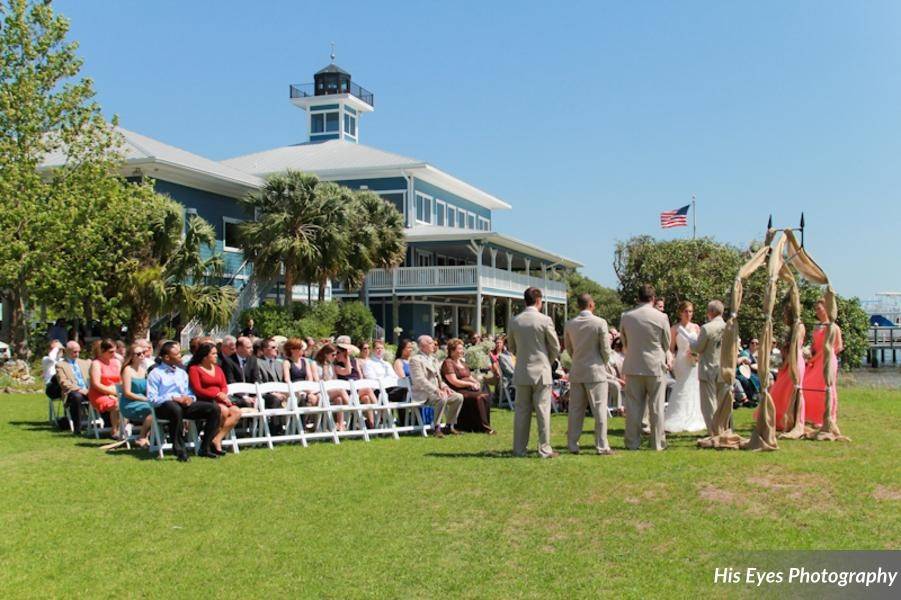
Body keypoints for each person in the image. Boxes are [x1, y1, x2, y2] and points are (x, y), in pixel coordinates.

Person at [507, 287, 561, 458]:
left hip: (522, 370)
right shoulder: (545, 320)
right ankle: (544, 449)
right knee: (543, 411)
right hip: (541, 370)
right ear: (538, 300)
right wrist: (548, 361)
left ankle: (519, 449)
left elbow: (511, 347)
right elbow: (555, 347)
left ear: (525, 301)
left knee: (521, 412)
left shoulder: (515, 321)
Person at [147, 341, 220, 461]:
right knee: (175, 408)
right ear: (166, 357)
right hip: (164, 407)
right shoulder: (155, 374)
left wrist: (190, 398)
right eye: (177, 354)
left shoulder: (181, 373)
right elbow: (152, 399)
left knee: (214, 408)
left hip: (183, 405)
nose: (180, 356)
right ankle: (179, 450)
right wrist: (173, 397)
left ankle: (205, 447)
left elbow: (189, 392)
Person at [619, 283, 671, 451]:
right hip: (655, 365)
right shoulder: (661, 317)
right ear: (653, 299)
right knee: (656, 407)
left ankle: (632, 442)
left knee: (633, 407)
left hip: (633, 365)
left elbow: (624, 342)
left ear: (638, 298)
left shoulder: (626, 317)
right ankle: (657, 443)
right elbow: (666, 343)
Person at [563, 292, 614, 455]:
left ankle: (572, 444)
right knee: (599, 409)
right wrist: (604, 362)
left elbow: (569, 348)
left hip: (577, 369)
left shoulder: (570, 324)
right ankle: (601, 445)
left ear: (578, 306)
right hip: (595, 371)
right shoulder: (600, 323)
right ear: (591, 305)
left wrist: (577, 359)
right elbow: (605, 349)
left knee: (575, 410)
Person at [188, 342, 240, 456]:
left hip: (222, 399)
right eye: (213, 354)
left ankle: (216, 438)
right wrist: (216, 395)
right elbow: (198, 389)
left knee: (236, 412)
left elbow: (224, 386)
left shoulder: (218, 369)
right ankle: (209, 443)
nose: (216, 356)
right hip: (206, 399)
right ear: (205, 356)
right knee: (224, 411)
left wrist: (223, 394)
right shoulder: (194, 369)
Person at [409, 335, 464, 438]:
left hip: (437, 392)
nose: (434, 344)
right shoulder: (415, 360)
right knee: (441, 398)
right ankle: (436, 427)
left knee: (458, 397)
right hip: (423, 393)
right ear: (422, 346)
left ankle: (449, 426)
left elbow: (439, 379)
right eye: (430, 343)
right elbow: (419, 380)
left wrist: (444, 387)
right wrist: (436, 390)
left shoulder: (433, 359)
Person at [665, 301, 707, 433]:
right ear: (680, 313)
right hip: (682, 361)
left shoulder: (696, 327)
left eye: (691, 311)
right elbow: (670, 348)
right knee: (682, 386)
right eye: (686, 311)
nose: (689, 314)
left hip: (694, 361)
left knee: (694, 387)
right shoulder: (675, 329)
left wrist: (697, 355)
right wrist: (670, 360)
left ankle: (694, 415)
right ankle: (678, 415)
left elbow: (700, 346)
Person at [802, 299, 844, 426]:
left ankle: (826, 417)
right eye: (816, 309)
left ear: (826, 309)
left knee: (825, 387)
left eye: (819, 309)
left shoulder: (833, 327)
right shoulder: (818, 326)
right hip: (816, 359)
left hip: (826, 359)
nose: (817, 312)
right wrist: (809, 352)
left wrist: (816, 358)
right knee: (808, 384)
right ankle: (814, 415)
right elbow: (815, 344)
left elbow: (836, 346)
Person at [689, 300, 727, 436]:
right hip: (724, 369)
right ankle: (723, 428)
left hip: (708, 367)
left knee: (709, 403)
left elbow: (698, 348)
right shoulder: (729, 327)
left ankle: (713, 431)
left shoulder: (707, 328)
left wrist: (691, 340)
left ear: (711, 312)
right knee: (723, 401)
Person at [441, 338, 494, 434]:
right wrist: (470, 384)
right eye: (459, 349)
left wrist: (476, 382)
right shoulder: (448, 363)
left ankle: (476, 425)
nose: (462, 351)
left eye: (462, 349)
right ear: (452, 350)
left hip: (467, 389)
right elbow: (454, 381)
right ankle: (484, 428)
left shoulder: (462, 362)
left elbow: (469, 376)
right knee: (479, 397)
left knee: (485, 395)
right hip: (456, 390)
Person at [769, 308, 806, 430]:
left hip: (794, 361)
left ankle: (793, 419)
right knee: (780, 391)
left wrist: (785, 364)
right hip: (788, 361)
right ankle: (780, 419)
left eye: (785, 314)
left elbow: (794, 349)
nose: (783, 317)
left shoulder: (799, 327)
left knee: (789, 391)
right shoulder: (791, 328)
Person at [334, 336, 376, 428]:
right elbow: (347, 371)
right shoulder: (337, 364)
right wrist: (347, 359)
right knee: (368, 390)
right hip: (347, 391)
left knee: (366, 398)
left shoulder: (355, 361)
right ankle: (380, 410)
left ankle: (371, 424)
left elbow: (359, 375)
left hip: (356, 388)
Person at [120, 343, 153, 448]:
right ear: (131, 356)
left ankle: (151, 437)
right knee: (154, 410)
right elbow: (127, 393)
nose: (142, 355)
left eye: (143, 353)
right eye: (138, 354)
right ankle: (142, 436)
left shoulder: (144, 370)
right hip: (130, 403)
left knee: (159, 408)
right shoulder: (127, 370)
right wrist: (143, 399)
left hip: (144, 401)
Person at [88, 339, 123, 440]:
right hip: (99, 393)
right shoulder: (96, 363)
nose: (113, 354)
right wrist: (111, 392)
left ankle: (123, 428)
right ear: (103, 350)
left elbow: (121, 379)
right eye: (110, 352)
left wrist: (117, 392)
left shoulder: (117, 362)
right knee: (116, 404)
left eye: (115, 351)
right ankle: (115, 430)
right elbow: (96, 384)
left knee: (126, 402)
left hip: (115, 391)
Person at [56, 341, 91, 435]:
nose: (77, 354)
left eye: (78, 352)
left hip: (88, 390)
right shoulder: (61, 365)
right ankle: (77, 427)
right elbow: (63, 382)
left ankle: (107, 425)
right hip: (73, 392)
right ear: (67, 351)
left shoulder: (85, 363)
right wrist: (79, 389)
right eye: (74, 352)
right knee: (77, 397)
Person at [313, 343, 348, 431]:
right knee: (340, 390)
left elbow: (335, 381)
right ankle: (352, 407)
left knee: (339, 399)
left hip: (330, 392)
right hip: (319, 391)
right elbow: (317, 380)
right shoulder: (315, 364)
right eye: (333, 355)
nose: (335, 357)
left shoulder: (331, 366)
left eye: (336, 354)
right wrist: (325, 367)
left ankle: (340, 425)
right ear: (325, 354)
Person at [220, 336, 260, 407]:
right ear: (239, 348)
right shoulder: (228, 361)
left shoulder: (253, 360)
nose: (252, 349)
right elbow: (230, 381)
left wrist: (256, 396)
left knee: (269, 400)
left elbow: (256, 379)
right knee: (247, 404)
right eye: (248, 348)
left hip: (252, 394)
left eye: (251, 347)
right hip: (236, 395)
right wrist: (244, 397)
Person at [363, 339, 405, 403]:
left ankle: (404, 412)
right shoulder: (368, 363)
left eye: (382, 348)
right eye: (377, 348)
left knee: (405, 389)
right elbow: (372, 379)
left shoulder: (387, 364)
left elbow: (394, 377)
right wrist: (388, 381)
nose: (380, 350)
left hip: (390, 388)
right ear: (373, 350)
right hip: (378, 390)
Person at [736, 338, 761, 406]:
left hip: (754, 371)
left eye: (756, 343)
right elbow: (743, 363)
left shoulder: (760, 353)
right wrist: (744, 359)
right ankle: (752, 397)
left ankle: (758, 396)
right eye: (752, 343)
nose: (754, 344)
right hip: (742, 371)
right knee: (750, 378)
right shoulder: (744, 352)